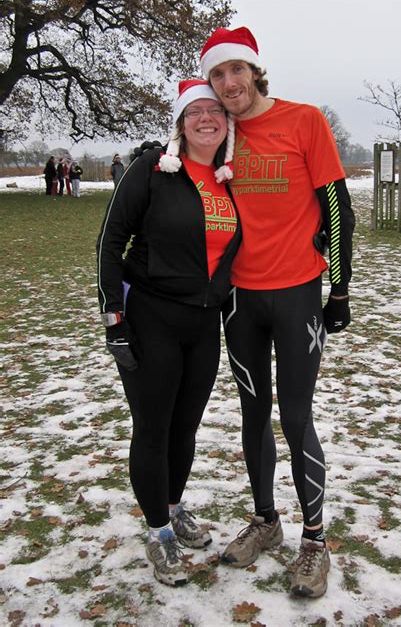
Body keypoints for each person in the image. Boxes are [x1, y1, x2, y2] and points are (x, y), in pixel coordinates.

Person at [200, 27, 355, 599]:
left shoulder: (304, 120)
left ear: (255, 72)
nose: (229, 83)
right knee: (252, 412)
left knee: (295, 416)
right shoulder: (222, 134)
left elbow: (337, 207)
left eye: (236, 70)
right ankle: (266, 520)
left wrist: (338, 289)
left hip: (296, 295)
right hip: (239, 300)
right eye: (217, 74)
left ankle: (314, 541)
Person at [96, 79, 240, 587]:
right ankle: (158, 533)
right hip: (150, 316)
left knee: (185, 428)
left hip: (203, 324)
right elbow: (110, 243)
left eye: (215, 111)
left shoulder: (229, 178)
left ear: (227, 122)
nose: (206, 118)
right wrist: (113, 316)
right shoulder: (152, 169)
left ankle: (173, 507)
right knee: (153, 431)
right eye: (195, 111)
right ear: (181, 121)